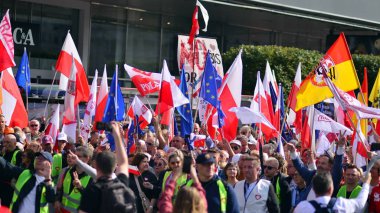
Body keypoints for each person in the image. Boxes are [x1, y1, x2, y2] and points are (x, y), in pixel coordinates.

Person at [79, 122, 136, 213]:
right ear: (114, 166)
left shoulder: (92, 191)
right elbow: (123, 163)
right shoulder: (123, 186)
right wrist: (117, 135)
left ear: (96, 166)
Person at [294, 172, 371, 213]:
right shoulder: (341, 204)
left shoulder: (302, 207)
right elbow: (360, 203)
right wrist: (366, 183)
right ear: (331, 189)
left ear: (313, 189)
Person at [55, 146, 93, 212]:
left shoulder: (92, 177)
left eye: (78, 156)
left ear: (87, 158)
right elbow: (60, 189)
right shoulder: (67, 171)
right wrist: (57, 200)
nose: (75, 158)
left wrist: (80, 187)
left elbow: (91, 199)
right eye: (75, 155)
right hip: (61, 210)